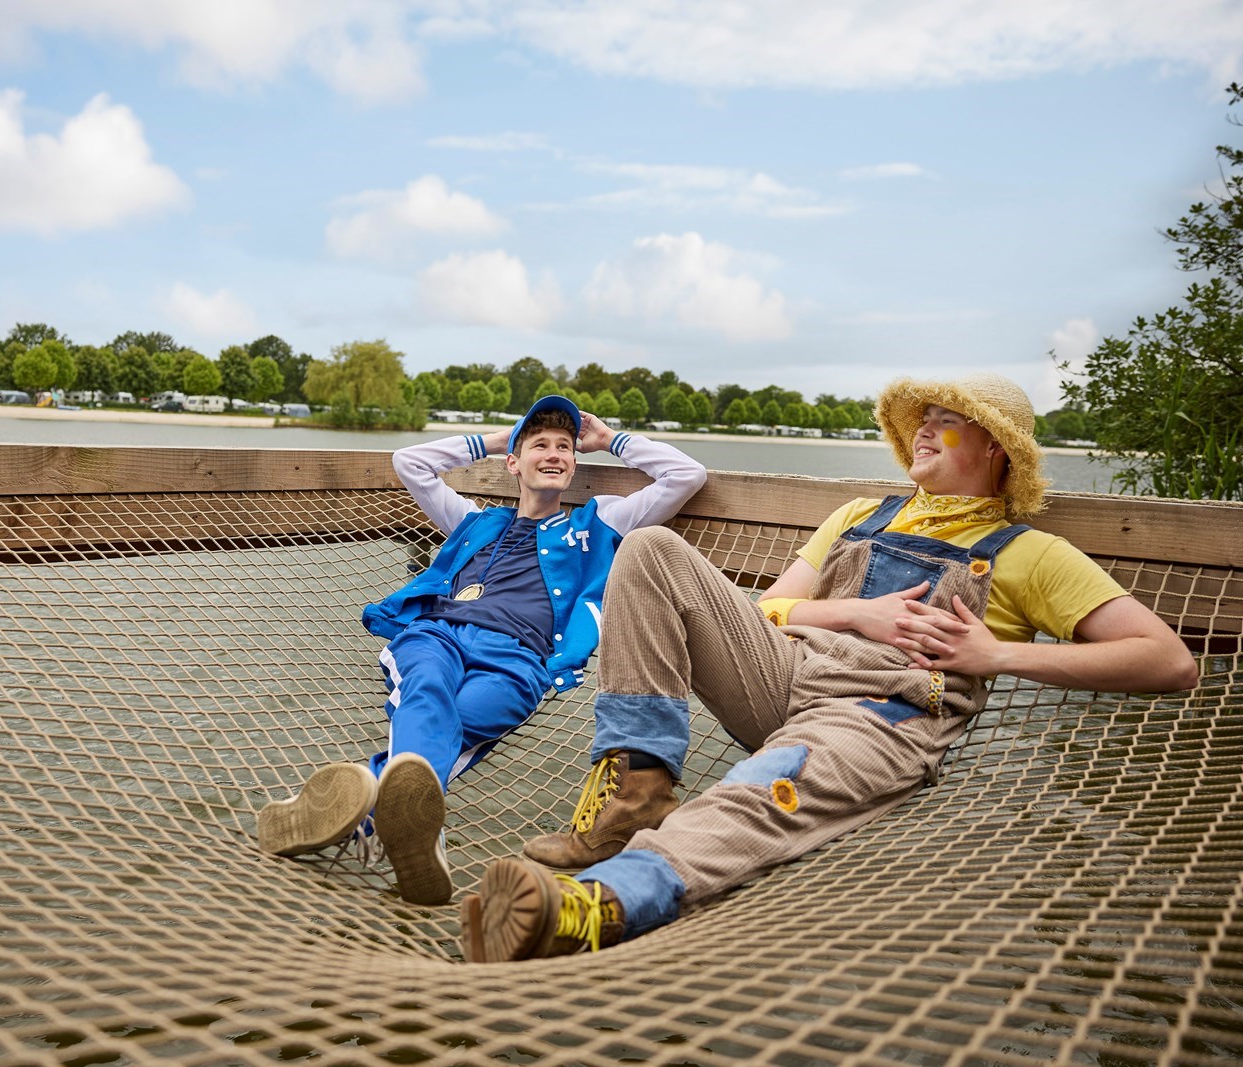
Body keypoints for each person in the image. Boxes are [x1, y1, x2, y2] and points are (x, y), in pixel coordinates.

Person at [458, 373, 1197, 961]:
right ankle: (631, 800)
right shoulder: (859, 515)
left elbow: (1168, 660)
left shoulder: (1031, 554)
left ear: (996, 448)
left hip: (877, 716)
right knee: (650, 550)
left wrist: (997, 655)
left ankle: (597, 905)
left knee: (753, 791)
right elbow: (770, 610)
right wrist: (852, 614)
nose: (925, 429)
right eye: (924, 418)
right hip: (784, 675)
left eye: (948, 420)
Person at [257, 395, 706, 905]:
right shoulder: (474, 522)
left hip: (520, 659)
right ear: (514, 463)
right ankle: (400, 823)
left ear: (574, 463)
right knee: (427, 689)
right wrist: (497, 440)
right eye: (540, 445)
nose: (554, 454)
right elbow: (410, 463)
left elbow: (685, 475)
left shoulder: (597, 526)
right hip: (439, 634)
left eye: (564, 447)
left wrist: (609, 440)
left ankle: (371, 811)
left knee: (457, 719)